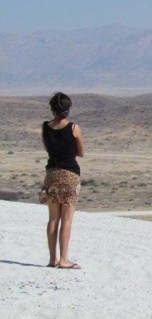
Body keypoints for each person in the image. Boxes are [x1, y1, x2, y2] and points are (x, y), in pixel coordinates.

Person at [40, 92, 85, 269]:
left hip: (51, 173)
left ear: (52, 109)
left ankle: (53, 259)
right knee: (66, 219)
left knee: (53, 219)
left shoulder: (45, 127)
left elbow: (47, 148)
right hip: (69, 174)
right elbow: (81, 152)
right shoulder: (74, 128)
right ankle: (64, 259)